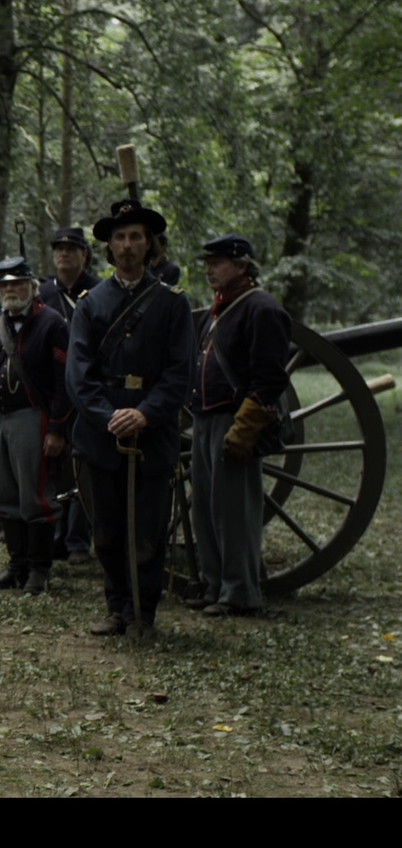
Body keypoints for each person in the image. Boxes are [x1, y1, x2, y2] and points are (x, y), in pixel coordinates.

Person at [66, 200, 194, 636]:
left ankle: (144, 613)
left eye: (135, 236)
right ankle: (116, 607)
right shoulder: (90, 304)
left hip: (152, 435)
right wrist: (110, 417)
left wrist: (144, 414)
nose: (127, 245)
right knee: (106, 530)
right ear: (107, 248)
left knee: (148, 531)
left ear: (149, 244)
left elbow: (181, 373)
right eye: (119, 238)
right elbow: (79, 376)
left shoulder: (173, 303)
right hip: (101, 436)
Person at [189, 234, 289, 617]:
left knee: (234, 513)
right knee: (206, 509)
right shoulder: (219, 310)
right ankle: (215, 585)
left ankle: (240, 591)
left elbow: (269, 378)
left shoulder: (261, 309)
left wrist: (245, 427)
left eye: (219, 262)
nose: (210, 269)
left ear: (243, 265)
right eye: (208, 263)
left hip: (234, 420)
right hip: (204, 417)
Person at [0, 258, 71, 594]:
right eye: (5, 286)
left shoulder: (52, 323)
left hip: (32, 418)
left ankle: (39, 571)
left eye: (17, 284)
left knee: (35, 498)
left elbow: (62, 382)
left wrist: (56, 428)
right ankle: (17, 565)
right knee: (3, 495)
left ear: (32, 287)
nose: (11, 290)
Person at [38, 227, 101, 565]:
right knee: (55, 470)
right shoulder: (44, 292)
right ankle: (57, 537)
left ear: (84, 255)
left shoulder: (100, 291)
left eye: (71, 249)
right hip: (52, 390)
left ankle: (78, 540)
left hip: (89, 390)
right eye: (59, 249)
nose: (63, 254)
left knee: (83, 467)